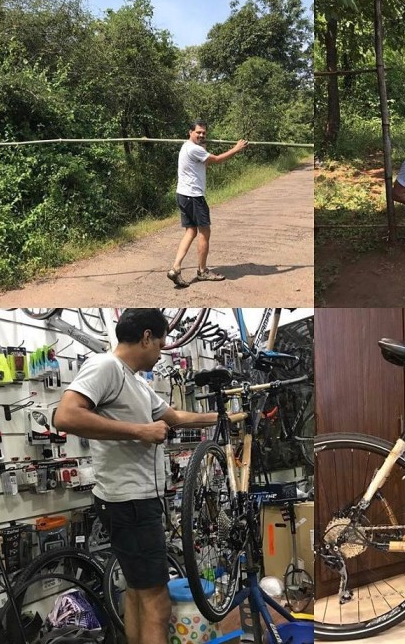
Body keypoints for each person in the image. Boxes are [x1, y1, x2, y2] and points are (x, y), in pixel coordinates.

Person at [55, 309, 219, 644]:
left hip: (131, 501)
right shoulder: (106, 367)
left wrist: (224, 416)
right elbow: (66, 416)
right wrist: (139, 431)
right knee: (157, 601)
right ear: (146, 337)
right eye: (160, 342)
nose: (161, 351)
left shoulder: (137, 383)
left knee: (136, 591)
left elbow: (174, 417)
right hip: (130, 501)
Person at [167, 121, 248, 287]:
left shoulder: (187, 146)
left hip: (183, 195)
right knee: (205, 231)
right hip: (194, 197)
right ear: (190, 132)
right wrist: (236, 149)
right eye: (198, 132)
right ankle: (202, 271)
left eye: (204, 133)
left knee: (191, 231)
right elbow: (216, 159)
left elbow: (205, 161)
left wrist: (202, 145)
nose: (201, 135)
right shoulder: (193, 148)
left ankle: (175, 268)